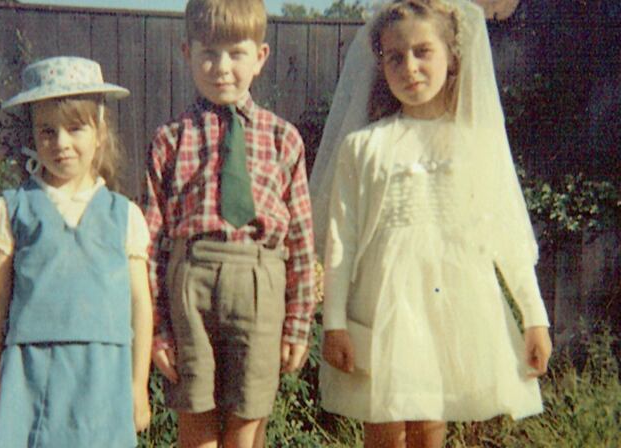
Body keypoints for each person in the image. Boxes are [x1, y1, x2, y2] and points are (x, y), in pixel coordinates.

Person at [309, 0, 553, 446]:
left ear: (452, 56)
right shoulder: (363, 147)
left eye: (423, 51)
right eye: (395, 57)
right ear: (380, 64)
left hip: (449, 305)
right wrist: (335, 322)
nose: (410, 67)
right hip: (382, 305)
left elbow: (503, 230)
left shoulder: (474, 143)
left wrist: (534, 316)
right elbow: (340, 239)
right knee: (383, 424)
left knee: (430, 424)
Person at [142, 0, 317, 446]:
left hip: (260, 279)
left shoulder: (283, 138)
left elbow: (300, 237)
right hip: (190, 281)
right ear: (186, 52)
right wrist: (158, 328)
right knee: (195, 414)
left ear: (260, 56)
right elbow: (152, 240)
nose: (222, 67)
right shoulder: (170, 138)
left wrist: (298, 320)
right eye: (208, 53)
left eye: (236, 53)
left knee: (248, 420)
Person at [0, 56, 152, 447]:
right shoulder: (12, 209)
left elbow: (141, 304)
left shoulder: (125, 215)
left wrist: (139, 385)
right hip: (31, 374)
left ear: (100, 132)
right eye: (47, 131)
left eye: (75, 128)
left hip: (104, 375)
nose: (61, 143)